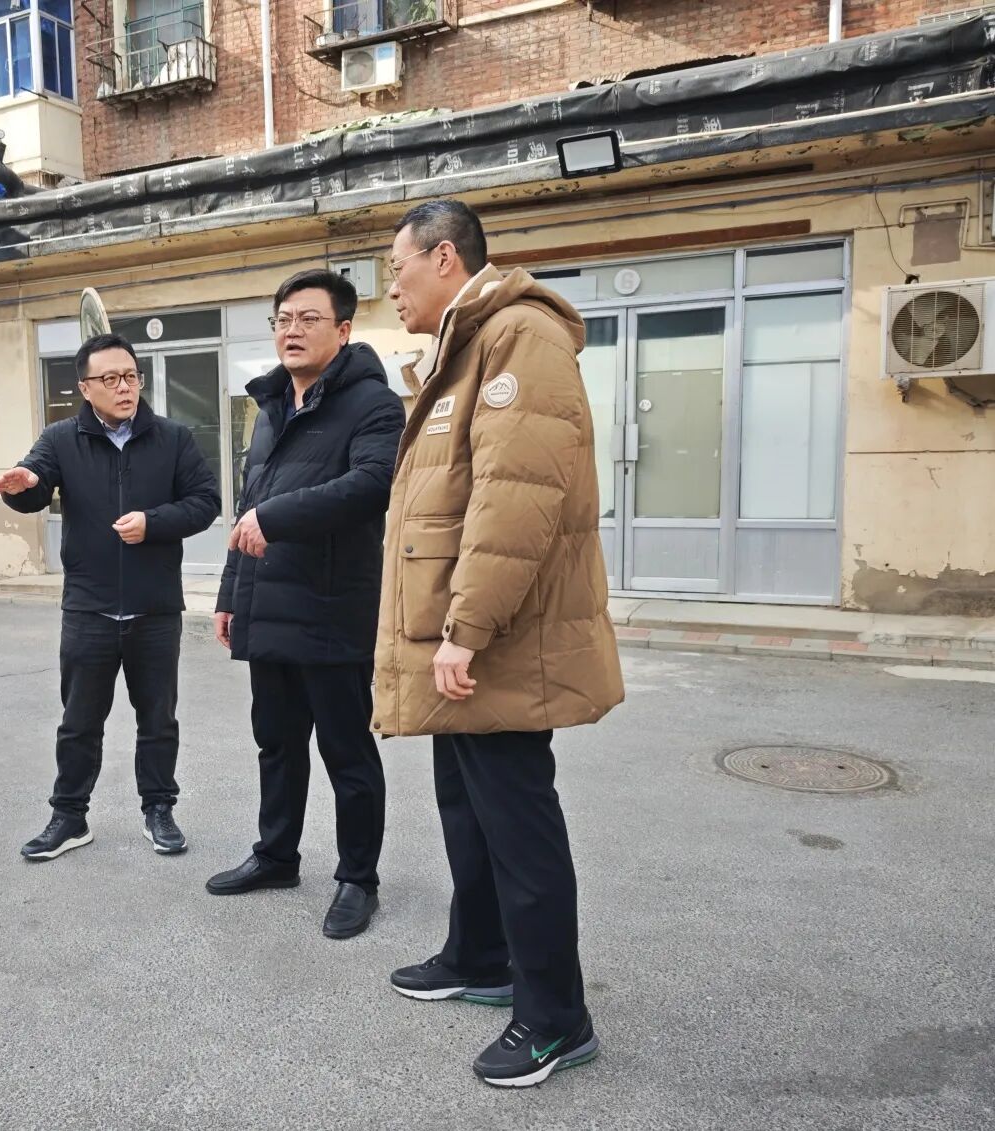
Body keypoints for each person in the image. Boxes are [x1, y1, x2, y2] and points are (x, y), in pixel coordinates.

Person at [373, 200, 625, 1087]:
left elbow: (515, 499)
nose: (391, 287)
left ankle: (556, 1017)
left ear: (444, 257)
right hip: (464, 638)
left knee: (518, 825)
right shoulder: (467, 343)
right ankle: (479, 954)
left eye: (397, 269)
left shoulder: (519, 337)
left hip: (496, 641)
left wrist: (467, 629)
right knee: (467, 808)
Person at [207, 269, 405, 941]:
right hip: (268, 604)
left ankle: (358, 879)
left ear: (343, 331)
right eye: (283, 319)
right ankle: (276, 855)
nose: (291, 330)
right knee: (277, 744)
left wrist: (277, 517)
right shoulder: (270, 407)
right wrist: (230, 595)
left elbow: (373, 484)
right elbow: (249, 507)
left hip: (331, 607)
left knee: (347, 753)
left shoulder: (373, 404)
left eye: (308, 319)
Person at [0, 332, 221, 861]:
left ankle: (159, 809)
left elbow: (206, 501)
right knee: (79, 722)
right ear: (85, 387)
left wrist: (154, 523)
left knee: (158, 719)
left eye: (130, 376)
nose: (124, 387)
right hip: (89, 606)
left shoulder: (172, 438)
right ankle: (69, 817)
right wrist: (23, 485)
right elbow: (34, 484)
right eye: (111, 379)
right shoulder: (61, 438)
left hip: (155, 606)